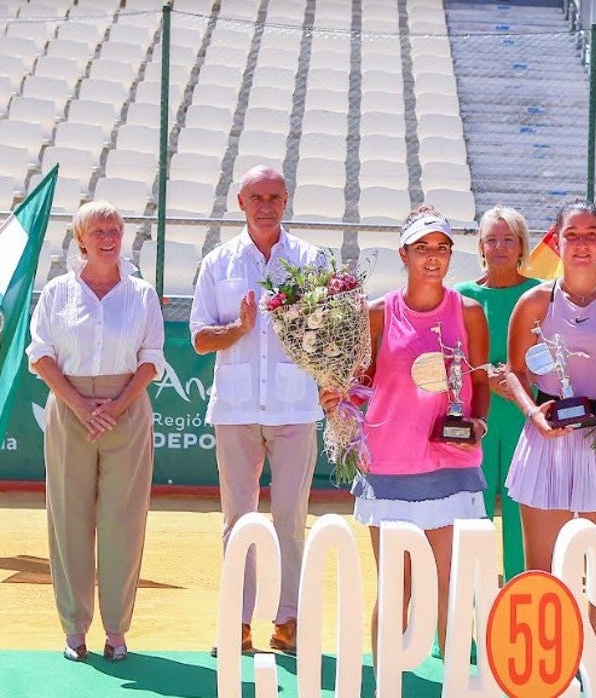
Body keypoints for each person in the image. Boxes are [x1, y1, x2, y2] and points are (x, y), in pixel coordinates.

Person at [323, 205, 490, 657]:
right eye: (422, 248)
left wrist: (479, 422)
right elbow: (356, 384)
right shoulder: (377, 314)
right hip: (390, 467)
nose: (433, 257)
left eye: (441, 248)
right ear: (404, 254)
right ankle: (384, 685)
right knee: (397, 588)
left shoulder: (470, 311)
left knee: (451, 585)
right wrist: (336, 398)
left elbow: (477, 381)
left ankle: (458, 682)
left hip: (452, 465)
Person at [500, 199, 596, 676]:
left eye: (591, 234)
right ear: (558, 240)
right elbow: (513, 374)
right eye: (573, 234)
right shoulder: (534, 302)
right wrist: (534, 416)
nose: (582, 243)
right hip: (548, 446)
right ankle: (540, 679)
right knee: (539, 574)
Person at [190, 166, 325, 655]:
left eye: (275, 196)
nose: (266, 204)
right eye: (256, 196)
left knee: (290, 516)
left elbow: (329, 337)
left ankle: (288, 622)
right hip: (236, 408)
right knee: (238, 519)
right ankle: (237, 622)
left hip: (294, 407)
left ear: (286, 201)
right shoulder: (217, 263)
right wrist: (240, 329)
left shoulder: (312, 260)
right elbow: (202, 339)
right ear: (239, 201)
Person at [27, 201, 166, 662]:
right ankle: (74, 628)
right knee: (68, 517)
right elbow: (40, 354)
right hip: (70, 410)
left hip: (127, 408)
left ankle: (117, 630)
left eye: (114, 228)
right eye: (97, 230)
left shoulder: (143, 294)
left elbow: (151, 359)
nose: (107, 236)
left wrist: (114, 406)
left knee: (123, 520)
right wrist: (82, 405)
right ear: (80, 239)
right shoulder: (56, 292)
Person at [453, 206, 539, 582]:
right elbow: (452, 358)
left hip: (527, 416)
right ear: (480, 247)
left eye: (508, 240)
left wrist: (522, 379)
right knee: (473, 515)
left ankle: (520, 610)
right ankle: (463, 627)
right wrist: (487, 377)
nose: (500, 247)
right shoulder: (460, 296)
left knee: (523, 517)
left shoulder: (540, 294)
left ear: (522, 246)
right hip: (480, 417)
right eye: (492, 240)